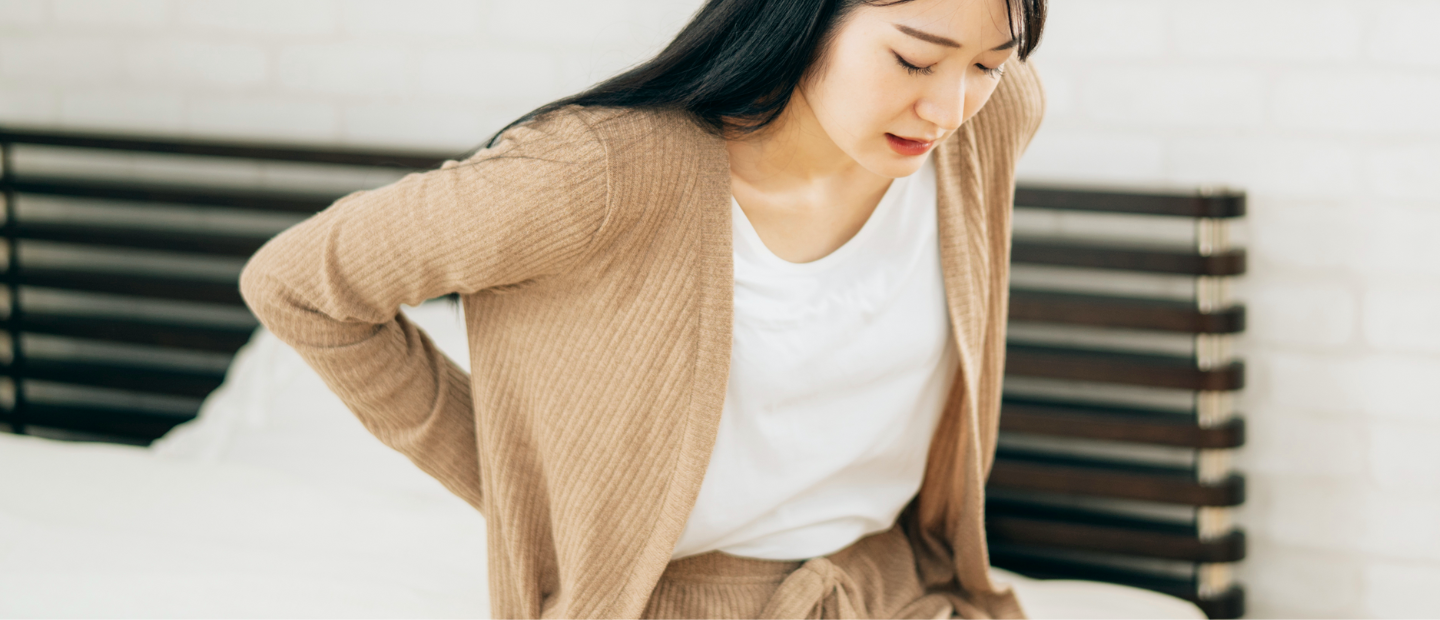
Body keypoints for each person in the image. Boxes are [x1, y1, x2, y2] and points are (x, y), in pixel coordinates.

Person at [237, 0, 1046, 617]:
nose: (950, 109)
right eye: (913, 62)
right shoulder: (596, 174)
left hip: (894, 587)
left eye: (989, 65)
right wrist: (539, 490)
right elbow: (300, 285)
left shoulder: (984, 127)